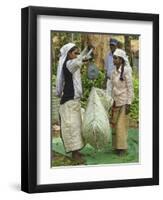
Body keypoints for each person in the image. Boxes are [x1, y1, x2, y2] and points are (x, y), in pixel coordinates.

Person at [56, 43, 90, 162]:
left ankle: (77, 152)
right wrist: (87, 52)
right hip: (69, 102)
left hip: (74, 101)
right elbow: (78, 61)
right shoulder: (69, 64)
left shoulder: (73, 63)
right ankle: (74, 155)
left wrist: (88, 50)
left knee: (77, 127)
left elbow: (81, 59)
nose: (77, 55)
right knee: (72, 128)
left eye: (77, 53)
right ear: (69, 54)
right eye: (75, 53)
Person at [110, 48, 134, 156]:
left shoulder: (127, 71)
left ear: (121, 60)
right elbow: (111, 86)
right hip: (116, 100)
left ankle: (122, 148)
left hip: (124, 101)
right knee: (115, 124)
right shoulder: (113, 72)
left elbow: (130, 87)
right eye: (113, 58)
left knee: (121, 126)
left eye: (116, 58)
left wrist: (129, 103)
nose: (113, 60)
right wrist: (110, 100)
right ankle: (116, 146)